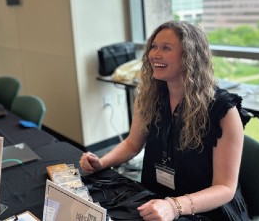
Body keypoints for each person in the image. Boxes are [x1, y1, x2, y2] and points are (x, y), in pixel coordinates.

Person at [80, 21, 250, 220]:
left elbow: (225, 188)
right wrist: (102, 162)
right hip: (157, 199)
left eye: (166, 48)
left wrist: (175, 206)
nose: (154, 54)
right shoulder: (149, 96)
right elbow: (132, 144)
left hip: (207, 210)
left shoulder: (223, 111)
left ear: (190, 57)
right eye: (154, 46)